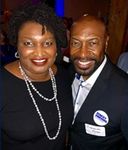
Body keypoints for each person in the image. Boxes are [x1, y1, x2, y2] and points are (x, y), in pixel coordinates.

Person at [1, 2, 73, 150]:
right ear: (17, 45)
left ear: (56, 46)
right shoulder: (3, 84)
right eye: (28, 43)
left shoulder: (64, 76)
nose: (39, 53)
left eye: (47, 43)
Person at [68, 15, 128, 150]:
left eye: (92, 43)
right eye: (76, 43)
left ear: (106, 43)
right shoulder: (68, 73)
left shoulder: (124, 92)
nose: (82, 54)